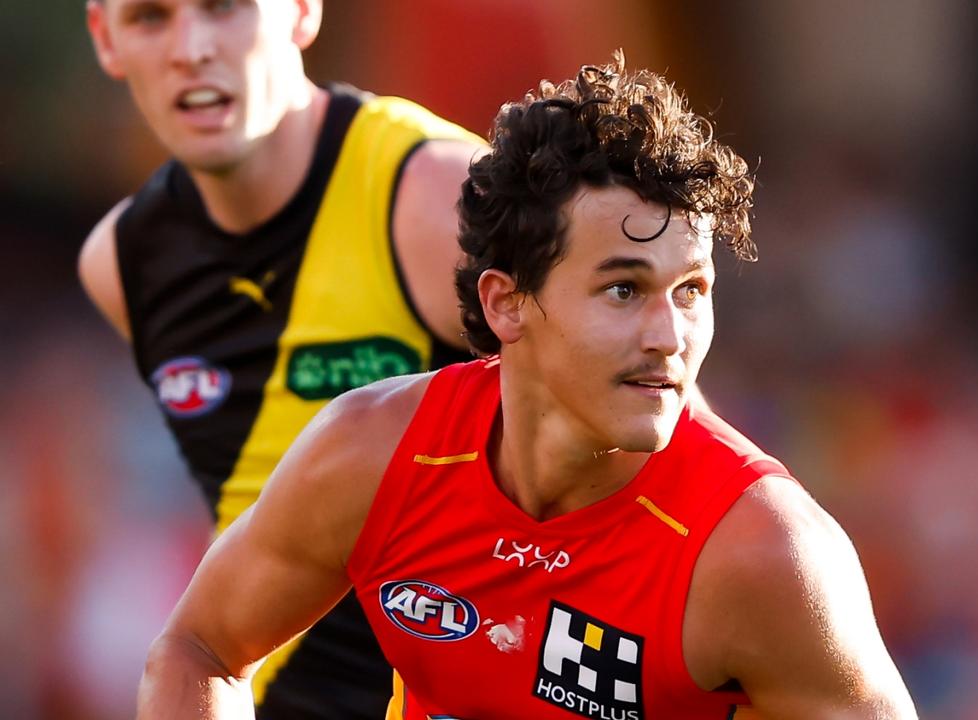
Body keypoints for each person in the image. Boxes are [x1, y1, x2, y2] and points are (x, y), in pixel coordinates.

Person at [136, 54, 919, 719]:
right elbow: (196, 649)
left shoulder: (761, 555)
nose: (669, 336)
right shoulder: (374, 453)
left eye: (691, 291)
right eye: (623, 289)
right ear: (506, 303)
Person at [80, 1, 486, 717]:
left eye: (224, 7)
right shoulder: (122, 262)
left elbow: (653, 459)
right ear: (105, 39)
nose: (191, 48)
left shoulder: (443, 203)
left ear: (302, 11)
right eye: (150, 16)